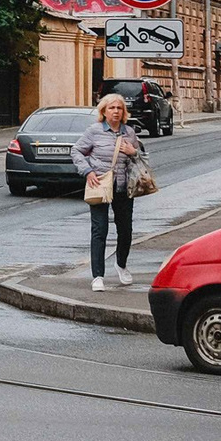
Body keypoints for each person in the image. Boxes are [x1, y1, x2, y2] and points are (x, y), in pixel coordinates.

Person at [75, 93, 145, 292]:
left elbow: (140, 158)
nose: (115, 111)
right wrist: (87, 171)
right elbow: (77, 151)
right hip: (100, 185)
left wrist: (134, 152)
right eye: (111, 108)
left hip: (123, 187)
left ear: (124, 112)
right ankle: (97, 276)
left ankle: (121, 264)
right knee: (100, 230)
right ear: (103, 112)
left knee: (126, 230)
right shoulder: (94, 131)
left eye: (119, 108)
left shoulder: (129, 133)